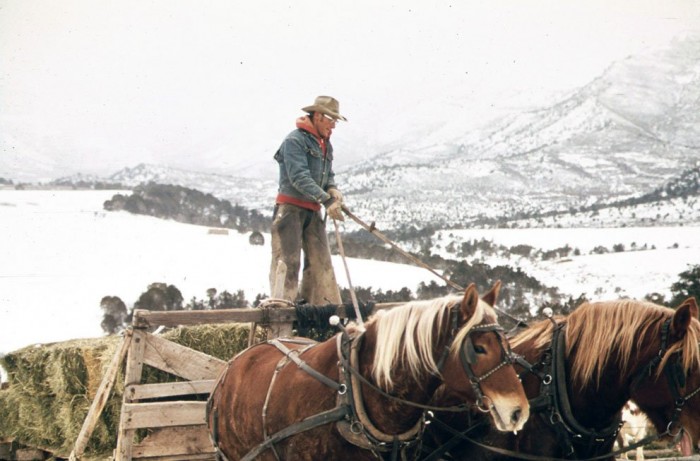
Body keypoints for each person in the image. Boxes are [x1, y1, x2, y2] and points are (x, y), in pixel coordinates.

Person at [269, 95, 347, 306]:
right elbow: (299, 177)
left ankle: (321, 314)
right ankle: (282, 312)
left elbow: (327, 173)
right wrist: (326, 200)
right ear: (319, 116)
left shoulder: (325, 144)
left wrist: (332, 188)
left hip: (312, 211)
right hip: (290, 210)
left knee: (320, 263)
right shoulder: (294, 141)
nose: (333, 126)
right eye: (332, 121)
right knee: (287, 264)